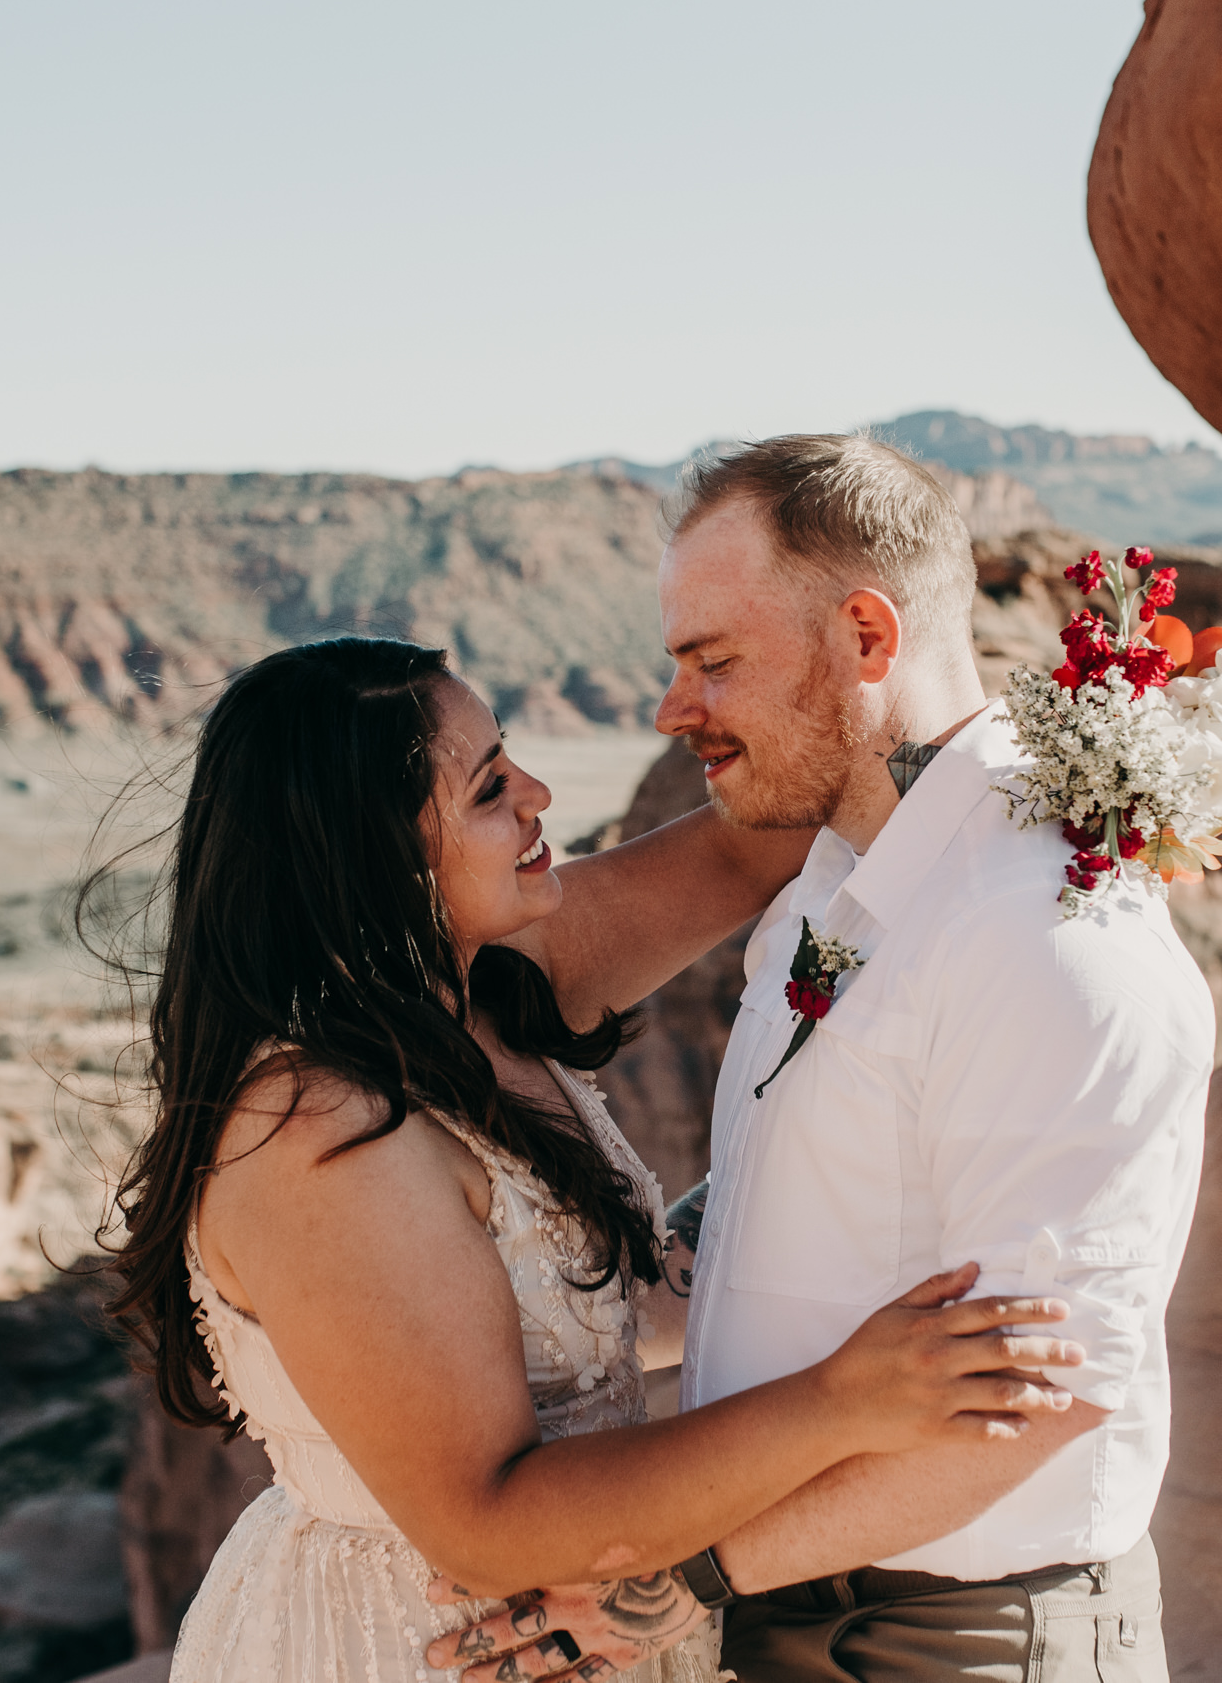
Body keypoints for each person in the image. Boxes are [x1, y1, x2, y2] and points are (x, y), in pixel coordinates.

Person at [101, 636, 1086, 1683]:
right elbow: (485, 1520)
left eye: (508, 758)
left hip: (600, 1617)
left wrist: (1058, 721)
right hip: (420, 1643)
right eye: (488, 790)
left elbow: (747, 844)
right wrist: (841, 1398)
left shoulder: (489, 981)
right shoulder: (321, 1136)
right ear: (374, 856)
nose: (536, 793)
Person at [434, 437, 1215, 1682]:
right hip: (803, 1602)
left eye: (713, 662)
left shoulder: (1045, 938)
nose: (672, 707)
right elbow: (779, 1219)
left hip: (949, 1638)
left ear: (865, 636)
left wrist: (679, 1580)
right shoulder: (837, 886)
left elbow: (1047, 1393)